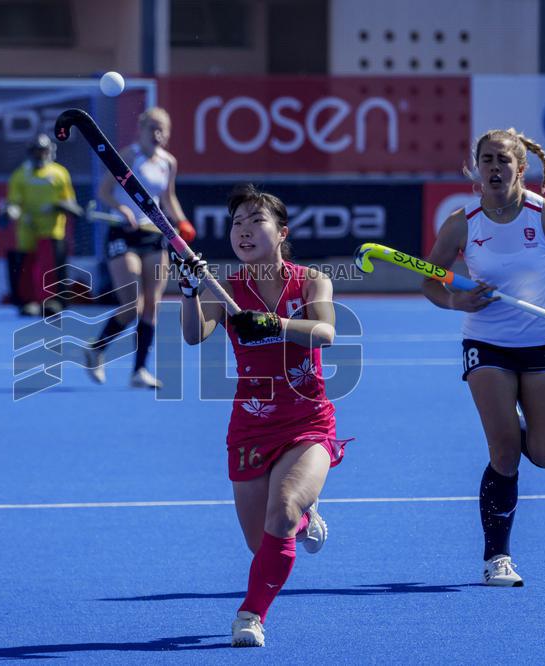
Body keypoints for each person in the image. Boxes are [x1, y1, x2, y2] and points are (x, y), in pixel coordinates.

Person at [422, 128, 545, 587]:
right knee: (504, 452)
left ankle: (521, 423)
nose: (494, 168)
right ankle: (496, 558)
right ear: (477, 166)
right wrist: (457, 302)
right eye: (486, 160)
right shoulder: (462, 222)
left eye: (503, 161)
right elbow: (431, 278)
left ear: (520, 169)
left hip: (541, 342)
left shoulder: (543, 215)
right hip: (485, 343)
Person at [172, 184, 348, 647]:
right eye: (237, 223)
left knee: (283, 511)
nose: (244, 230)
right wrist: (188, 293)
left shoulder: (311, 280)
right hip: (251, 424)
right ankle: (307, 521)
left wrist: (275, 324)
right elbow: (194, 336)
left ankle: (251, 615)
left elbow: (325, 332)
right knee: (263, 543)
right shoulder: (225, 288)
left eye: (256, 221)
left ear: (281, 232)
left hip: (307, 420)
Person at [84, 107, 196, 389]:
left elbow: (168, 198)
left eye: (163, 129)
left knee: (151, 306)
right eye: (152, 128)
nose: (158, 134)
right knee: (132, 303)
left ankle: (139, 371)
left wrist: (181, 221)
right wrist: (123, 208)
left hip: (153, 236)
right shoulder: (129, 156)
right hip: (123, 232)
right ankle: (96, 348)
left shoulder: (168, 162)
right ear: (141, 129)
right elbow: (104, 191)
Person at [3, 132, 78, 317]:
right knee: (26, 266)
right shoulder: (20, 175)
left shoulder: (59, 173)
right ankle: (28, 301)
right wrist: (13, 212)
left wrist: (58, 206)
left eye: (43, 151)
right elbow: (13, 202)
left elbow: (69, 201)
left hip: (52, 228)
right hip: (27, 227)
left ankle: (52, 300)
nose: (40, 155)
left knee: (50, 265)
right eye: (37, 152)